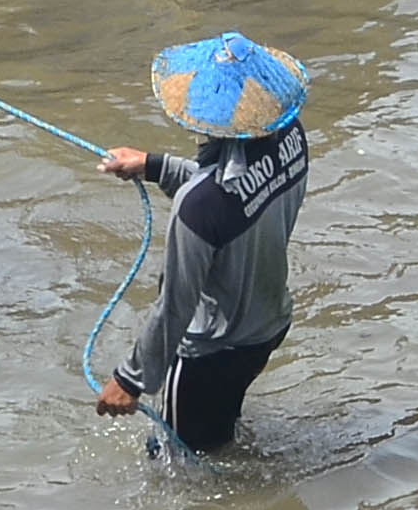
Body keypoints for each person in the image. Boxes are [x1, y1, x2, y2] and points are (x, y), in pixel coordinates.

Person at [96, 33, 313, 453]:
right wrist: (153, 165)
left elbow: (176, 304)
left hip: (210, 354)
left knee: (177, 467)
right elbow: (233, 190)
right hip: (267, 328)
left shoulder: (195, 210)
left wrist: (129, 379)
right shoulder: (291, 140)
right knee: (220, 435)